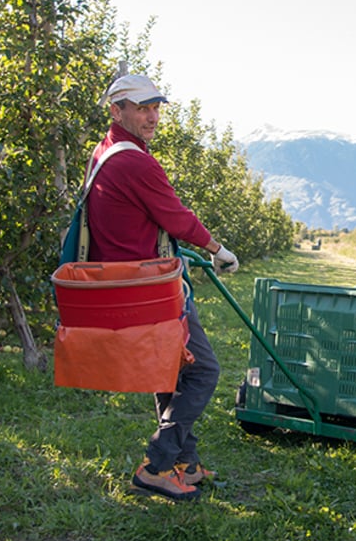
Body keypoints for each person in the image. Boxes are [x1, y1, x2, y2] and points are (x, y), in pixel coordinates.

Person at [85, 73, 240, 501]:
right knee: (204, 370)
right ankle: (156, 463)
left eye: (155, 107)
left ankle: (184, 464)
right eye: (141, 108)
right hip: (147, 286)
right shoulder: (134, 161)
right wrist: (218, 249)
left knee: (170, 370)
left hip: (126, 280)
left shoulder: (105, 152)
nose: (152, 116)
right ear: (117, 111)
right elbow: (176, 217)